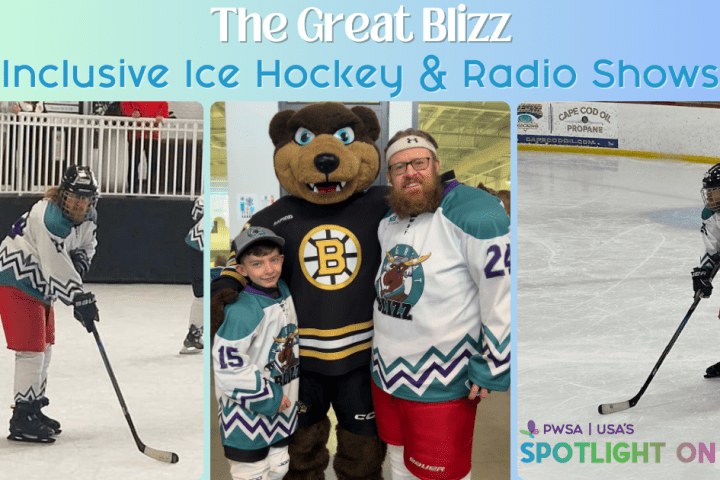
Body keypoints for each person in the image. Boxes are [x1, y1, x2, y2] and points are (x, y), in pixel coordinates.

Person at [371, 129, 511, 480]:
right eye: (399, 167)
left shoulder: (475, 212)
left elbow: (502, 291)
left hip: (443, 379)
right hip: (386, 374)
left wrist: (495, 361)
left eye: (419, 162)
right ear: (390, 176)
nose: (410, 172)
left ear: (435, 164)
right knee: (399, 461)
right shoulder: (390, 220)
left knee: (442, 474)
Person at [0, 165, 100, 443]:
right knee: (30, 350)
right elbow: (53, 262)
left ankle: (34, 406)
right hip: (16, 279)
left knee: (44, 347)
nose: (79, 203)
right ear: (63, 195)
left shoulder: (88, 216)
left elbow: (87, 244)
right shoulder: (48, 217)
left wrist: (80, 262)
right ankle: (22, 417)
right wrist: (78, 296)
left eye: (85, 197)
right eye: (74, 196)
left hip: (41, 286)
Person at [213, 226, 299, 480]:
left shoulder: (283, 290)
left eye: (273, 260)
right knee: (251, 473)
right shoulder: (242, 311)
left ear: (282, 259)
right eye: (257, 264)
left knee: (279, 467)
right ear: (241, 270)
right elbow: (228, 368)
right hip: (247, 416)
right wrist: (269, 398)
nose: (269, 269)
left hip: (282, 412)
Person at [693, 163, 720, 378]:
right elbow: (712, 248)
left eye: (715, 190)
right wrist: (704, 273)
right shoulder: (709, 214)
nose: (709, 196)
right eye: (708, 192)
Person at [119, 101, 169, 193]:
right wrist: (131, 113)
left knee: (153, 163)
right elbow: (124, 104)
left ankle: (152, 190)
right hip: (136, 133)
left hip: (152, 134)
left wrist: (161, 115)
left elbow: (164, 108)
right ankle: (132, 189)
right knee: (134, 162)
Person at [180, 196, 204, 354]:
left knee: (202, 294)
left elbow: (196, 212)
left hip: (196, 243)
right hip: (211, 243)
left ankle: (193, 336)